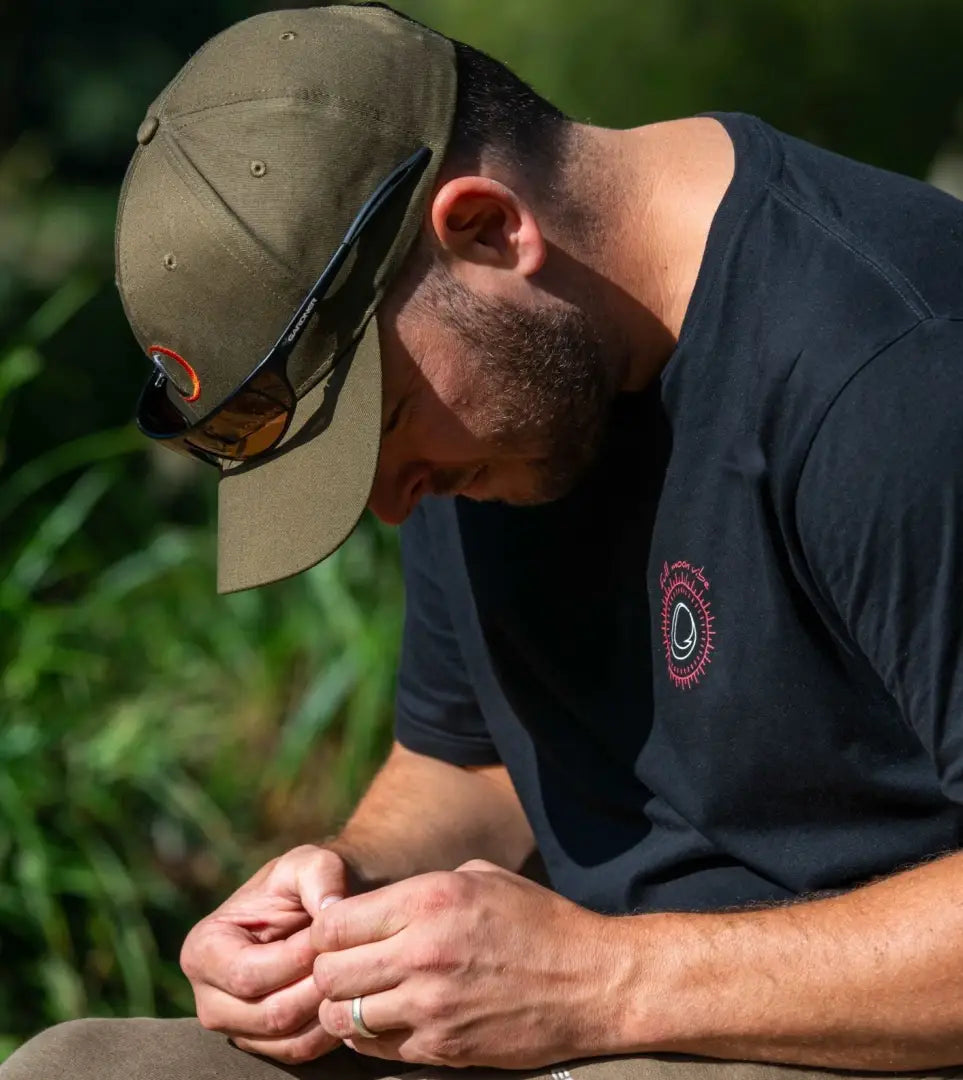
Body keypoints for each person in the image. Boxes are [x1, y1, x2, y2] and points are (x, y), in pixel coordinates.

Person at [6, 2, 963, 1078]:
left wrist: (603, 983)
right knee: (78, 1064)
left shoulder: (896, 369)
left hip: (838, 1040)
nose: (393, 505)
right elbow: (467, 762)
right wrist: (338, 900)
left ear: (487, 230)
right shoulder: (509, 396)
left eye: (382, 431)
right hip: (582, 1025)